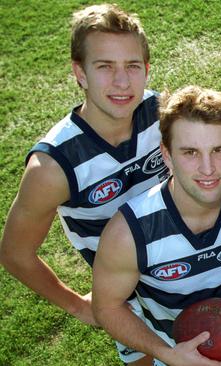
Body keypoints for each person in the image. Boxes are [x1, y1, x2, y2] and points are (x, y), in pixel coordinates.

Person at [0, 4, 167, 364]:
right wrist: (78, 307)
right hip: (126, 298)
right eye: (105, 67)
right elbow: (15, 253)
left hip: (184, 273)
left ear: (146, 70)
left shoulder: (163, 112)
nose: (122, 82)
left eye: (132, 67)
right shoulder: (52, 166)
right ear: (80, 72)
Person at [92, 85, 221, 366]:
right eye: (190, 153)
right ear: (167, 155)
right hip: (176, 354)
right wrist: (168, 354)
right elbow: (106, 307)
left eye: (218, 150)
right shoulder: (130, 233)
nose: (208, 168)